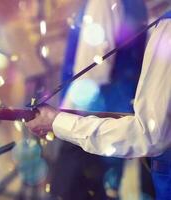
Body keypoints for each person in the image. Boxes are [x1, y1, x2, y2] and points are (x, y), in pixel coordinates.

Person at [26, 9, 171, 200]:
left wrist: (57, 121)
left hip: (99, 124)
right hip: (114, 123)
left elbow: (92, 76)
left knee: (68, 189)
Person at [51, 0, 151, 199]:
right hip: (118, 116)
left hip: (89, 117)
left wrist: (60, 118)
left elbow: (93, 71)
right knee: (103, 189)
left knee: (68, 190)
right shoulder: (137, 4)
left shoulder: (101, 2)